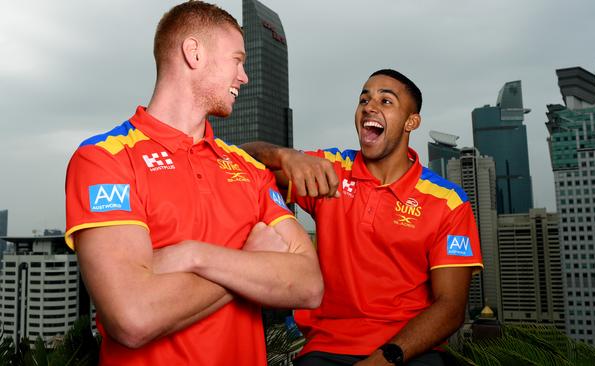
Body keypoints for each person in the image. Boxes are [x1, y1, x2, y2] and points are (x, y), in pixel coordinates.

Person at [64, 2, 322, 365]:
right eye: (237, 59)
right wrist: (249, 260)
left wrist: (192, 255)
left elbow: (309, 284)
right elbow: (133, 316)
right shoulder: (105, 158)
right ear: (194, 53)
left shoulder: (248, 168)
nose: (244, 76)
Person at [242, 69, 483, 365]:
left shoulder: (447, 201)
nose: (370, 106)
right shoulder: (333, 168)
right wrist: (284, 155)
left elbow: (451, 307)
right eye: (364, 99)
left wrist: (386, 358)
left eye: (386, 101)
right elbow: (240, 161)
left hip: (409, 351)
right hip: (327, 348)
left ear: (411, 121)